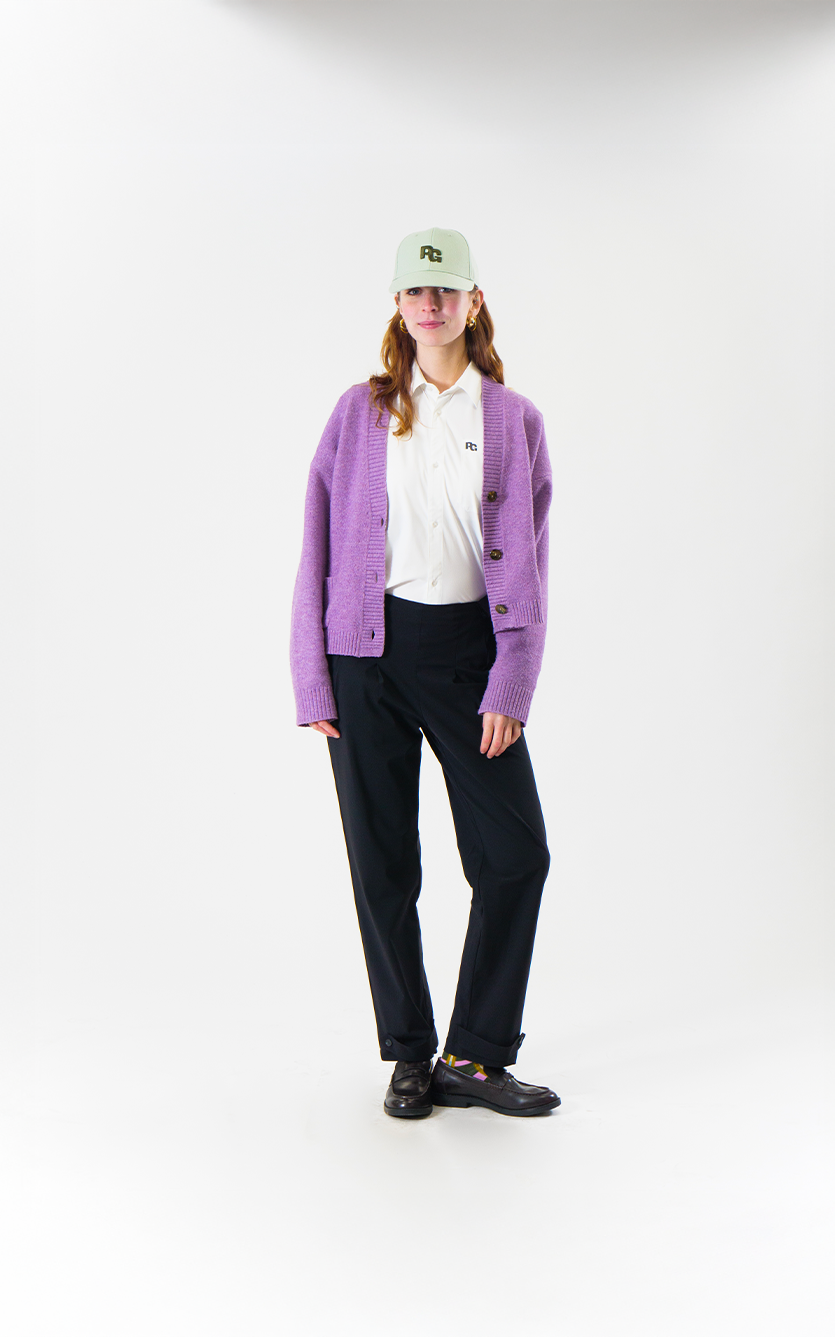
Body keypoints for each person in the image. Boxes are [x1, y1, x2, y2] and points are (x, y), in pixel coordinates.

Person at [290, 227, 559, 1118]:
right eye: (416, 291)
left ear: (473, 301)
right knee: (383, 865)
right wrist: (313, 676)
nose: (431, 305)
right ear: (399, 305)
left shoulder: (513, 419)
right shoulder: (360, 411)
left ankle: (474, 1056)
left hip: (467, 658)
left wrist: (511, 680)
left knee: (515, 856)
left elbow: (530, 560)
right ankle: (409, 1054)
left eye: (446, 291)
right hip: (363, 653)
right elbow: (317, 543)